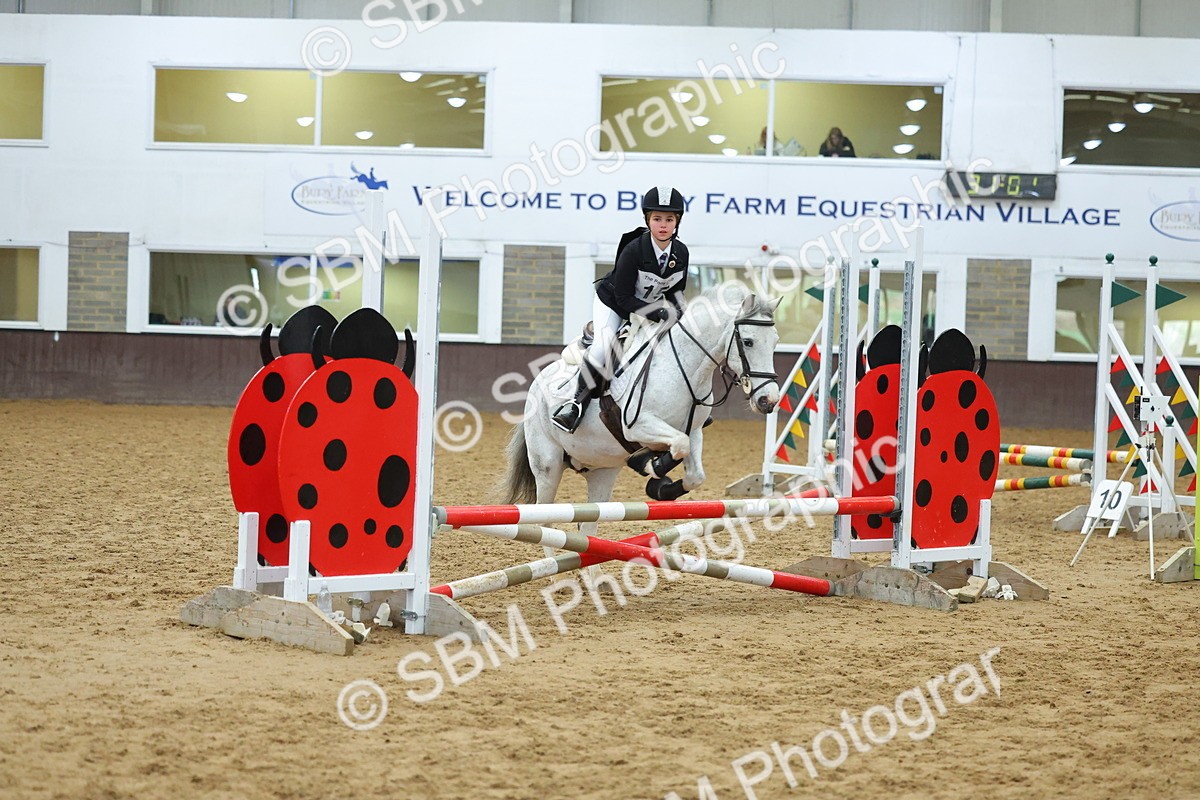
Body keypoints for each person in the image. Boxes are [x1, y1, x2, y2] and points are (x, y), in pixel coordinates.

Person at [551, 185, 690, 434]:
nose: (663, 225)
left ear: (677, 222)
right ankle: (575, 405)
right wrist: (657, 312)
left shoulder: (680, 253)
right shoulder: (634, 250)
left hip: (648, 308)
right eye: (657, 218)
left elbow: (675, 292)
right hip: (614, 304)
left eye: (669, 219)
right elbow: (624, 298)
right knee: (605, 346)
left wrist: (680, 313)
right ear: (648, 220)